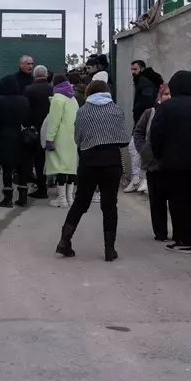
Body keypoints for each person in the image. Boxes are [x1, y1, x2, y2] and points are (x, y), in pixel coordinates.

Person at [56, 80, 129, 261]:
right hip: (111, 163)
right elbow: (124, 139)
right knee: (109, 204)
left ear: (88, 92)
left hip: (88, 162)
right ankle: (109, 249)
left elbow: (78, 139)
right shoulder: (117, 111)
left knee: (80, 202)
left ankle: (64, 241)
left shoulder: (82, 112)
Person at [149, 70, 191, 254]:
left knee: (177, 202)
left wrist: (159, 155)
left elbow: (156, 134)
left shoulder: (167, 107)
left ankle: (183, 240)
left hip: (171, 163)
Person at [134, 83, 173, 242]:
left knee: (175, 201)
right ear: (159, 96)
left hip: (171, 165)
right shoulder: (150, 113)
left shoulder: (177, 113)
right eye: (165, 94)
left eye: (170, 94)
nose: (168, 97)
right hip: (153, 165)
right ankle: (160, 232)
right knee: (157, 201)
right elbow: (138, 132)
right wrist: (144, 150)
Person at [0, 75, 29, 208]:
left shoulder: (1, 102)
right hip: (23, 139)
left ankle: (7, 198)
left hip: (5, 139)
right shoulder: (24, 101)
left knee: (7, 169)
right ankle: (23, 197)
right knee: (22, 168)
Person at [42, 73, 79, 208]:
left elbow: (54, 121)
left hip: (60, 138)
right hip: (72, 138)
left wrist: (49, 139)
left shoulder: (57, 98)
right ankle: (70, 198)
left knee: (60, 167)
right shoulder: (72, 98)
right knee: (70, 168)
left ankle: (61, 198)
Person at [125, 61, 164, 193]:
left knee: (135, 148)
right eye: (131, 69)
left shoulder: (144, 82)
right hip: (144, 120)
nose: (132, 72)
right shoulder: (143, 81)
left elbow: (146, 101)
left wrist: (138, 112)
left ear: (142, 69)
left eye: (135, 69)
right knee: (136, 149)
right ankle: (140, 180)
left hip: (145, 120)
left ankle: (140, 180)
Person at [23, 65, 55, 199]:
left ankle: (41, 188)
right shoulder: (53, 89)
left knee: (38, 160)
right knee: (53, 158)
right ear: (46, 75)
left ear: (34, 76)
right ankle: (58, 186)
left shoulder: (28, 90)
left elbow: (25, 110)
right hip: (52, 128)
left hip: (34, 130)